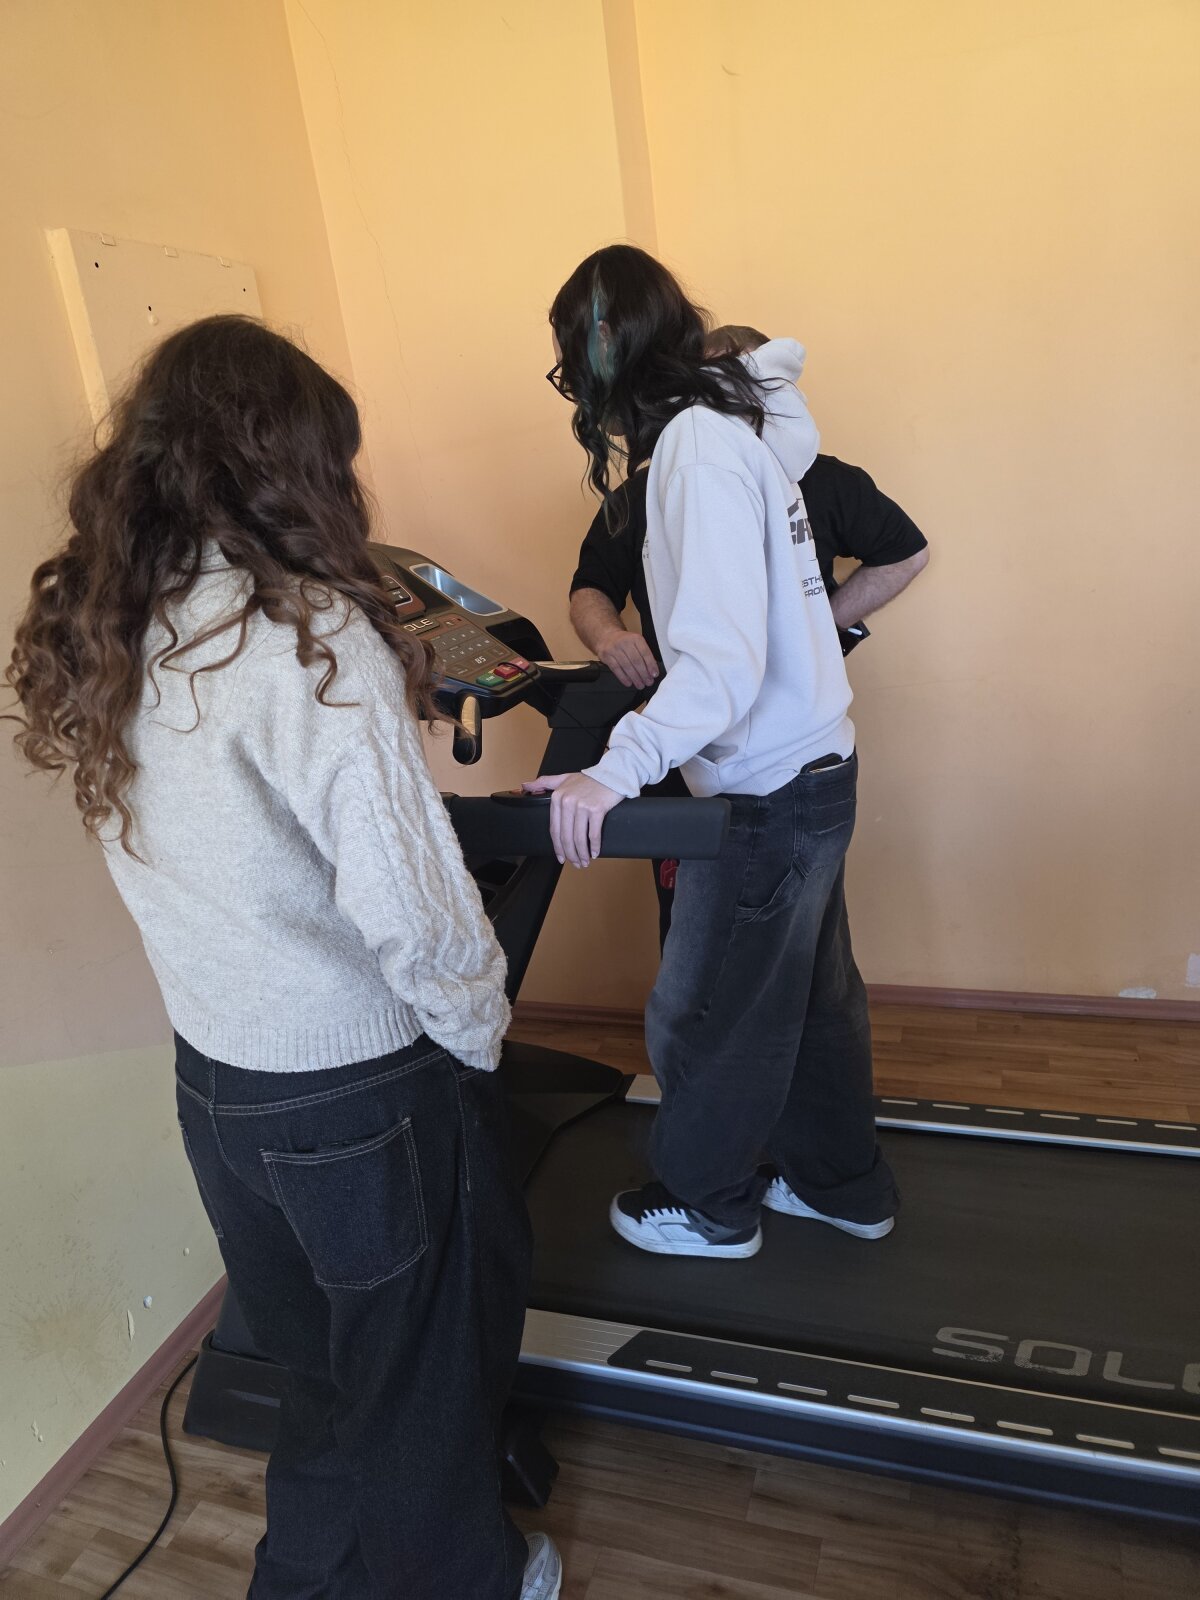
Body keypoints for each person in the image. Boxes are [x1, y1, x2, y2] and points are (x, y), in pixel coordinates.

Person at [5, 316, 560, 1600]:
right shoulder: (309, 633)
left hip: (218, 1086)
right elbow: (417, 909)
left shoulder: (112, 621)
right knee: (416, 1380)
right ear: (288, 461)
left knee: (316, 1377)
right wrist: (477, 1036)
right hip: (359, 1090)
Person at [530, 245, 899, 1259]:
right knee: (815, 1003)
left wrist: (614, 768)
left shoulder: (694, 449)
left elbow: (721, 664)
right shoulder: (739, 429)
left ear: (607, 346)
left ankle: (709, 1207)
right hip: (819, 768)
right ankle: (842, 1187)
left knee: (706, 1009)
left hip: (767, 793)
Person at [569, 321, 928, 948]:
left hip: (765, 760)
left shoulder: (795, 475)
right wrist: (609, 638)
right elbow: (590, 586)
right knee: (721, 936)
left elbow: (905, 552)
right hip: (686, 733)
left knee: (730, 973)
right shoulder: (658, 484)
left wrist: (812, 623)